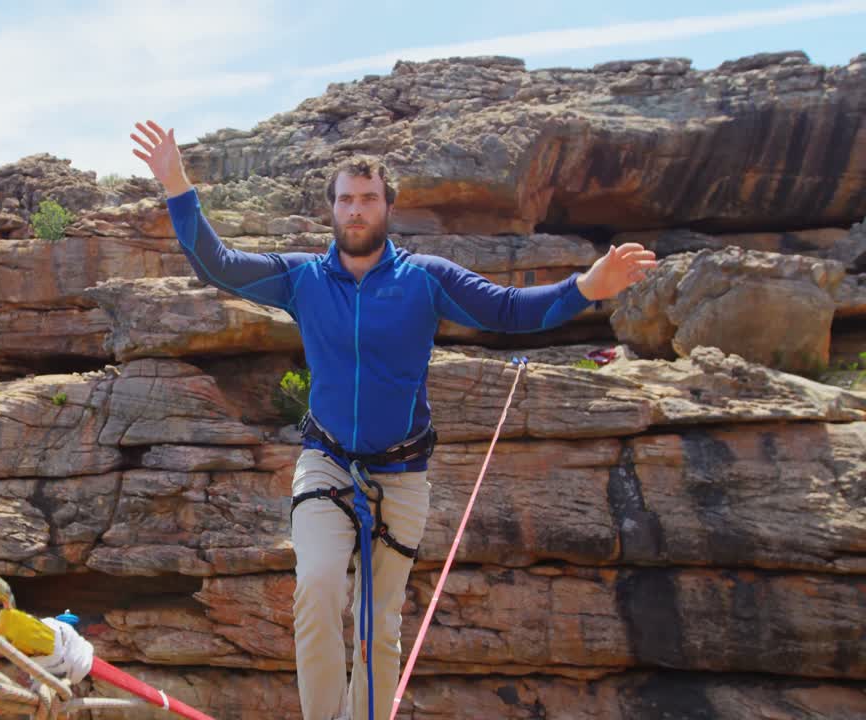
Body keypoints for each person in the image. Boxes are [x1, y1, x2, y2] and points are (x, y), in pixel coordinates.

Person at [130, 120, 655, 720]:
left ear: (388, 208)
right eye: (346, 199)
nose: (356, 210)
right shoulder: (302, 278)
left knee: (378, 632)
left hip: (402, 477)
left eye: (368, 199)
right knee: (319, 589)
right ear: (331, 207)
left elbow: (508, 310)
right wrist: (176, 184)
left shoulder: (424, 280)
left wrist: (587, 286)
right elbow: (217, 264)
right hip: (325, 462)